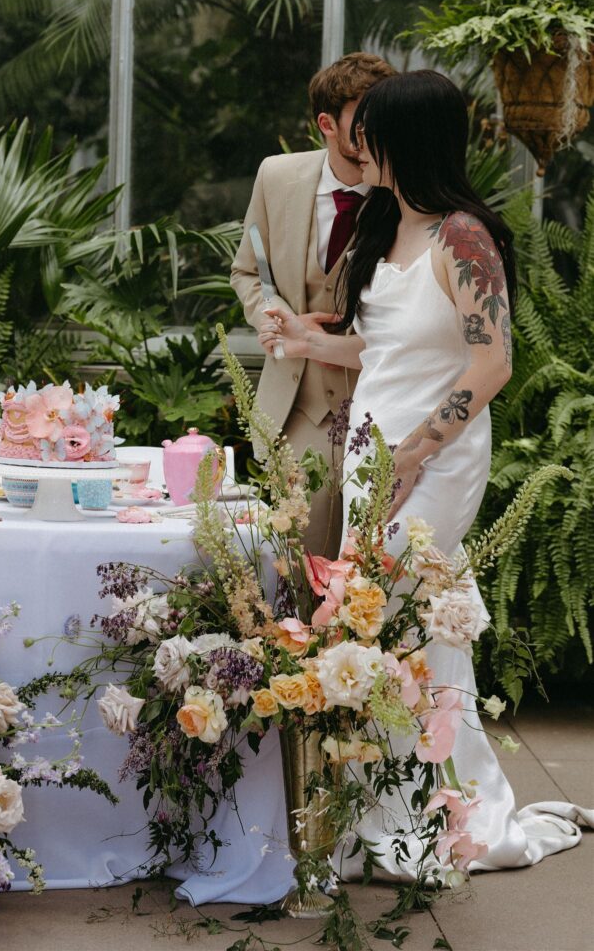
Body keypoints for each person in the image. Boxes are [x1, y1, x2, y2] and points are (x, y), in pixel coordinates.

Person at [259, 69, 591, 880]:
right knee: (378, 625)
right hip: (374, 451)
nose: (355, 143)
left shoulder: (464, 238)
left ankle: (449, 811)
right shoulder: (386, 226)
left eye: (368, 131)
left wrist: (414, 452)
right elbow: (381, 350)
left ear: (405, 139)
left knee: (406, 614)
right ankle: (393, 804)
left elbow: (492, 363)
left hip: (431, 463)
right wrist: (308, 343)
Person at [230, 51, 396, 556]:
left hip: (379, 404)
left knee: (371, 566)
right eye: (365, 118)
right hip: (298, 404)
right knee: (296, 565)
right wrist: (275, 320)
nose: (379, 129)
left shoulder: (401, 192)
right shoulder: (276, 177)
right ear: (327, 123)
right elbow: (247, 271)